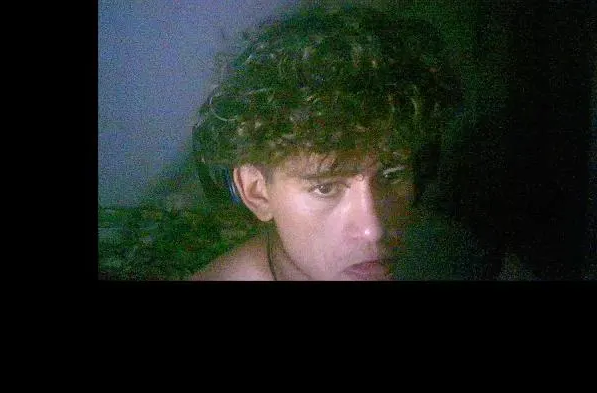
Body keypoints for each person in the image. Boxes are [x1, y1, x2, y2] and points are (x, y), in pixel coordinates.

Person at [188, 5, 459, 281]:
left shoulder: (450, 252)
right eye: (325, 188)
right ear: (256, 191)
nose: (373, 230)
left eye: (391, 175)